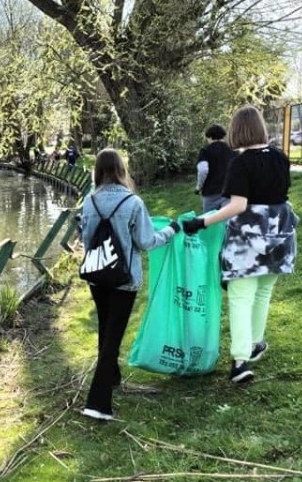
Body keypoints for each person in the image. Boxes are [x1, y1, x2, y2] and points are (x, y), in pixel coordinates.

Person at [183, 105, 298, 384]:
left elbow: (238, 205)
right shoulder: (280, 157)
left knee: (241, 296)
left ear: (236, 131)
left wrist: (202, 222)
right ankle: (254, 344)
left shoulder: (241, 163)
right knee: (263, 292)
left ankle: (240, 361)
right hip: (280, 236)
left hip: (248, 240)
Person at [76, 149, 180, 421]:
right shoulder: (133, 203)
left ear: (97, 171)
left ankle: (112, 377)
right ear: (121, 169)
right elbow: (146, 242)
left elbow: (85, 239)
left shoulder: (89, 201)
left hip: (97, 275)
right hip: (124, 279)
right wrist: (171, 230)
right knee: (113, 337)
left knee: (105, 327)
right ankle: (98, 403)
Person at [195, 124, 236, 212]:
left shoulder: (205, 151)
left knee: (209, 219)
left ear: (210, 137)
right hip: (229, 192)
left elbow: (203, 170)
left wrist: (198, 187)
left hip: (211, 193)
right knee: (227, 218)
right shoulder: (232, 151)